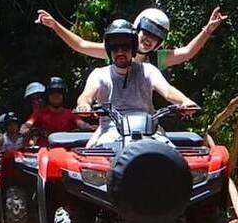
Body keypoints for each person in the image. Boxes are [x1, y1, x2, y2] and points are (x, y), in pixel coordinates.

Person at [76, 19, 198, 147]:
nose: (120, 52)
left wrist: (184, 101)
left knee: (172, 158)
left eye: (125, 47)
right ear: (108, 50)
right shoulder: (99, 74)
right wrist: (83, 105)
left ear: (134, 49)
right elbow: (86, 96)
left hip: (150, 131)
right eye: (115, 48)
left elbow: (168, 91)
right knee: (89, 160)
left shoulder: (148, 70)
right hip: (110, 131)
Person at [35, 6, 227, 71]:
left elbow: (187, 53)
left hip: (144, 120)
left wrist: (207, 30)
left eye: (155, 38)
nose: (148, 40)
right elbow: (81, 45)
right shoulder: (116, 51)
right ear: (137, 29)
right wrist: (55, 25)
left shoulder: (156, 59)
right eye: (146, 33)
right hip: (113, 118)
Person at [21, 77, 93, 146]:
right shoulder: (38, 113)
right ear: (47, 95)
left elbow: (83, 125)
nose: (56, 95)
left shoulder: (70, 114)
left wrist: (94, 128)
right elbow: (28, 124)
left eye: (59, 92)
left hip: (66, 150)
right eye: (52, 92)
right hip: (44, 152)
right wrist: (25, 128)